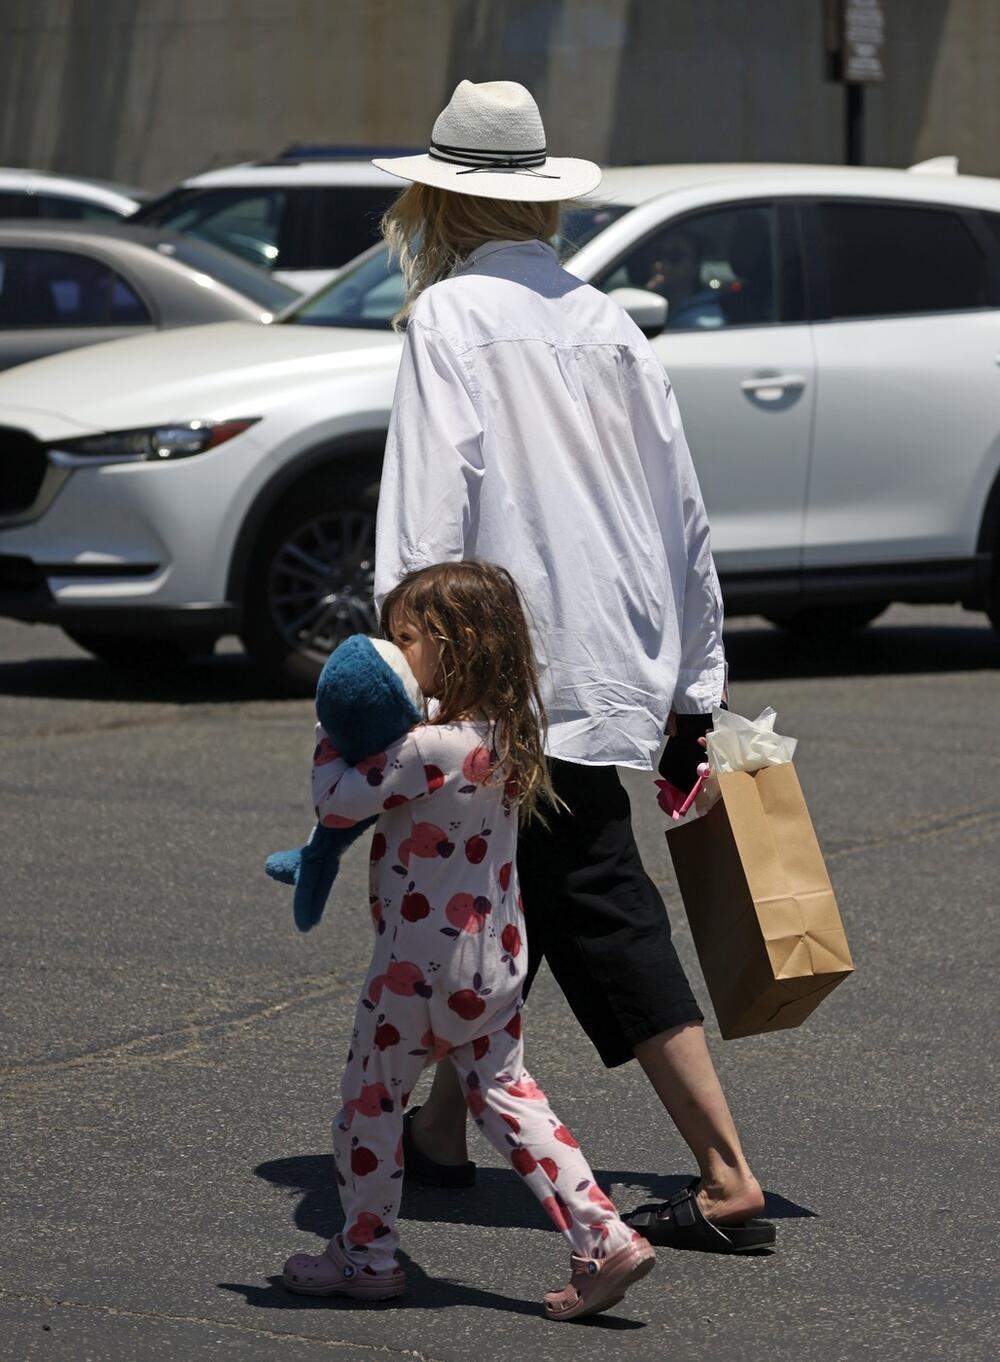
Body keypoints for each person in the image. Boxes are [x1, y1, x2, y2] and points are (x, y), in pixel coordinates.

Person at [370, 79, 774, 1255]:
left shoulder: (449, 319)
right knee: (514, 884)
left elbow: (425, 520)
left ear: (433, 199)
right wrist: (693, 686)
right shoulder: (607, 323)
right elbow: (681, 516)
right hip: (613, 655)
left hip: (500, 667)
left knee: (589, 898)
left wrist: (400, 666)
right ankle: (443, 1132)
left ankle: (725, 1172)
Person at [282, 561, 656, 1320]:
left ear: (462, 644)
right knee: (510, 1099)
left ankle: (367, 1255)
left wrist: (333, 723)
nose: (392, 651)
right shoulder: (507, 735)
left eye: (408, 639)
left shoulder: (429, 748)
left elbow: (336, 803)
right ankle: (604, 1233)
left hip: (415, 969)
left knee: (371, 1104)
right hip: (495, 960)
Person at [628, 225, 726, 329]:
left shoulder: (704, 319)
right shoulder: (653, 304)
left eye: (674, 256)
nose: (661, 264)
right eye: (657, 254)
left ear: (695, 266)